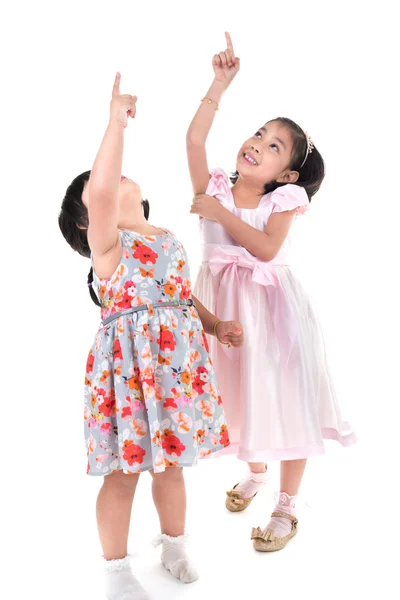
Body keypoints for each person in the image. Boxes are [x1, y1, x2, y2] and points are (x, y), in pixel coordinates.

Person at [58, 73, 243, 599]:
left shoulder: (164, 238)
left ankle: (175, 542)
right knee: (123, 473)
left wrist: (214, 326)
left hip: (172, 371)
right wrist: (115, 125)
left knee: (173, 466)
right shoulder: (109, 249)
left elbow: (180, 296)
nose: (114, 184)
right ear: (88, 221)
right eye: (102, 187)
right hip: (127, 375)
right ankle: (116, 570)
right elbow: (100, 191)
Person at [187, 33, 356, 553]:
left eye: (275, 144)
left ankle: (287, 504)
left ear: (286, 172)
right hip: (221, 311)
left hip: (271, 309)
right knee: (234, 397)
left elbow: (264, 250)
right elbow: (194, 142)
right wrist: (219, 84)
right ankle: (255, 471)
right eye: (260, 133)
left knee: (284, 395)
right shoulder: (215, 184)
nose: (258, 142)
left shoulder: (282, 200)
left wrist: (218, 216)